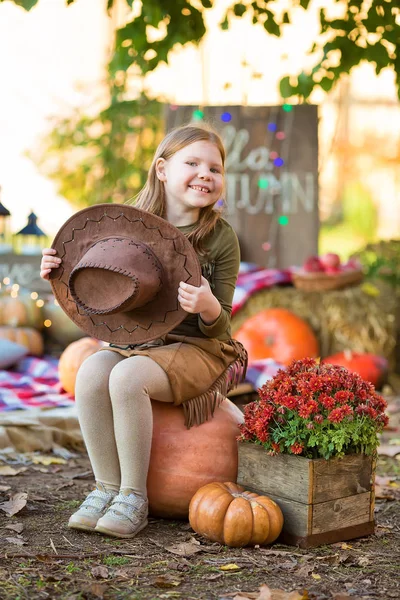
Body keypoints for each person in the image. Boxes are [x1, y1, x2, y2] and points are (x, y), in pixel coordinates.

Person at [40, 123, 247, 539]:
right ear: (163, 170)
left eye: (215, 168)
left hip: (198, 347)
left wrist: (207, 306)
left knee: (128, 377)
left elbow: (220, 324)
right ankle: (106, 488)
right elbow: (99, 281)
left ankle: (134, 497)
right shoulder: (132, 225)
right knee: (94, 370)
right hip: (138, 341)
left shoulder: (221, 239)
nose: (206, 174)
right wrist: (58, 274)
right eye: (193, 163)